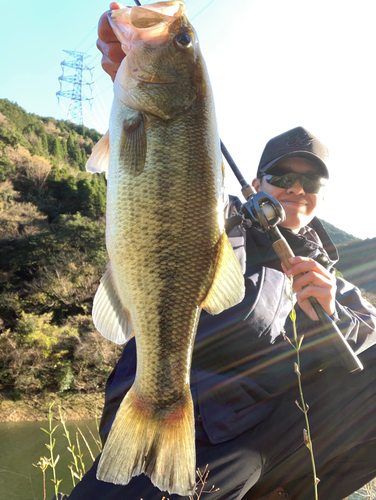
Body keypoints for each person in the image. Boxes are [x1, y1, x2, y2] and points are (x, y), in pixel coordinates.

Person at [68, 6, 376, 500]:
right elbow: (176, 184)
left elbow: (368, 338)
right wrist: (128, 67)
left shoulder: (330, 276)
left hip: (267, 438)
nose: (297, 187)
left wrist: (330, 308)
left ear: (321, 196)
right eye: (281, 176)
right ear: (256, 184)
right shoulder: (223, 219)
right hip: (200, 429)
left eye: (311, 180)